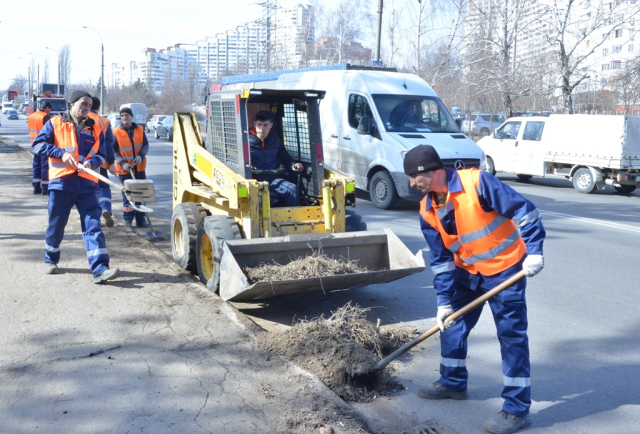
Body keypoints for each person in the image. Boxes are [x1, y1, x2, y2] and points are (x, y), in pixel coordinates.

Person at [404, 145, 545, 434]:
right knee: (451, 325)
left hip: (506, 269)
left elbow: (524, 210)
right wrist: (443, 301)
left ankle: (517, 410)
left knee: (511, 337)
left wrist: (534, 251)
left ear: (432, 172)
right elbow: (442, 259)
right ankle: (452, 383)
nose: (410, 184)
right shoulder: (426, 209)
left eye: (413, 177)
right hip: (468, 273)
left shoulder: (477, 182)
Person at [32, 90, 120, 284]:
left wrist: (92, 162)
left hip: (87, 185)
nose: (87, 107)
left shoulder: (95, 128)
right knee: (56, 226)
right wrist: (61, 153)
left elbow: (102, 155)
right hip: (61, 184)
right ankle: (51, 259)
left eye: (89, 105)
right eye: (83, 103)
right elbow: (37, 145)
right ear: (72, 104)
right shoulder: (55, 123)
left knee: (93, 226)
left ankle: (100, 269)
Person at [249, 110, 303, 207]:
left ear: (271, 125)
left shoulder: (275, 141)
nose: (262, 128)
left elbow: (285, 157)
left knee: (292, 189)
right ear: (254, 124)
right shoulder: (246, 141)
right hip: (252, 179)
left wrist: (293, 165)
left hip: (271, 178)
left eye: (265, 125)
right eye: (259, 124)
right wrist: (248, 167)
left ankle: (293, 220)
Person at [113, 107, 149, 227]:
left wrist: (141, 156)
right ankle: (128, 219)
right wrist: (123, 163)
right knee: (127, 195)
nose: (124, 117)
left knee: (140, 194)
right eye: (122, 115)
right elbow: (113, 150)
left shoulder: (139, 129)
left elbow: (145, 145)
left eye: (126, 115)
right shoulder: (116, 132)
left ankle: (141, 219)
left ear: (131, 116)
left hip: (139, 168)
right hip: (124, 169)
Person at [88, 97, 117, 228]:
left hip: (82, 163)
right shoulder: (104, 122)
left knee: (87, 191)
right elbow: (109, 145)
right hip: (100, 163)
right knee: (103, 188)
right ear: (98, 107)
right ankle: (105, 208)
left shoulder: (78, 118)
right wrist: (111, 162)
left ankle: (92, 217)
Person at [27, 100, 53, 195]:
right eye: (50, 109)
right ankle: (45, 188)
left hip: (34, 144)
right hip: (44, 145)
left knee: (36, 166)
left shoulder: (31, 116)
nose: (50, 111)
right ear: (47, 108)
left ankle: (36, 186)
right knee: (45, 166)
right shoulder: (46, 117)